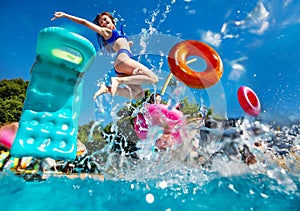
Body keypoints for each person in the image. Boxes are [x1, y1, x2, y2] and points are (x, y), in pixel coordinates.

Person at [51, 11, 158, 100]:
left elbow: (125, 44)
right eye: (101, 22)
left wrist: (133, 73)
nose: (103, 22)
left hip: (121, 66)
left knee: (138, 95)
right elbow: (84, 22)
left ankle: (107, 88)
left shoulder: (119, 34)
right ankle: (118, 80)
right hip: (123, 59)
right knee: (154, 79)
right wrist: (65, 15)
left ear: (112, 20)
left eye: (105, 19)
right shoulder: (107, 32)